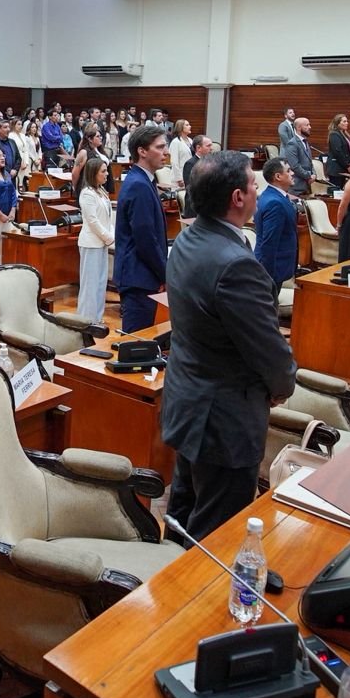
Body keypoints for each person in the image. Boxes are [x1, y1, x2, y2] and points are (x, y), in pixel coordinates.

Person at [161, 151, 297, 539]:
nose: (258, 192)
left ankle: (172, 575)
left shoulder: (188, 238)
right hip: (224, 418)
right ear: (237, 197)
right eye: (254, 185)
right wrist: (282, 385)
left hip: (189, 401)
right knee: (216, 535)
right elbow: (266, 347)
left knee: (182, 514)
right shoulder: (236, 264)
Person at [114, 124, 169, 332]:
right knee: (136, 342)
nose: (166, 152)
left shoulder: (145, 180)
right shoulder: (139, 184)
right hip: (139, 277)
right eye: (160, 147)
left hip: (144, 275)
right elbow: (145, 239)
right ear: (142, 151)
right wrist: (165, 274)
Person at [76, 156, 114, 322]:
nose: (107, 174)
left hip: (102, 243)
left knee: (100, 283)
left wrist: (110, 236)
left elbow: (107, 218)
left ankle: (97, 319)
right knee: (89, 284)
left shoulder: (101, 191)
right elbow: (92, 221)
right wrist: (108, 237)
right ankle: (85, 320)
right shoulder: (87, 194)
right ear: (93, 173)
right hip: (91, 243)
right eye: (103, 171)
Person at [252, 157, 297, 287]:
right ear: (278, 176)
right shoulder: (275, 203)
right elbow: (269, 243)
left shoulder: (272, 195)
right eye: (288, 171)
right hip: (272, 269)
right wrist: (268, 277)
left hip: (276, 265)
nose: (292, 173)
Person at [280, 116, 314, 195]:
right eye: (307, 125)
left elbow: (310, 162)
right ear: (299, 127)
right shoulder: (292, 143)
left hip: (307, 185)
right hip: (297, 186)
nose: (310, 127)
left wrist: (314, 174)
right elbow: (294, 166)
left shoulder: (305, 141)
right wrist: (309, 175)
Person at [326, 113, 350, 182]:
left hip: (344, 167)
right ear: (337, 123)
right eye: (344, 121)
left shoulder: (345, 134)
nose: (347, 123)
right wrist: (347, 165)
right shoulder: (334, 134)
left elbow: (348, 151)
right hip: (336, 169)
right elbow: (338, 152)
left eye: (347, 121)